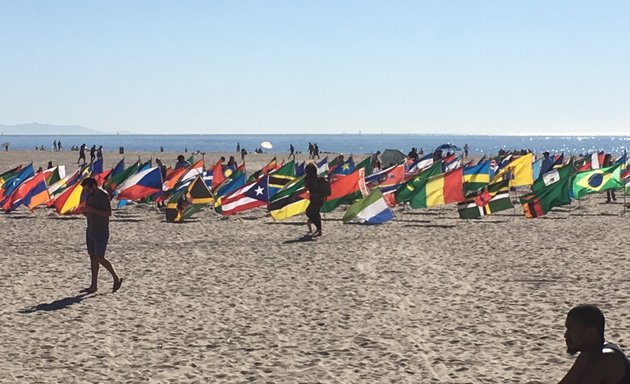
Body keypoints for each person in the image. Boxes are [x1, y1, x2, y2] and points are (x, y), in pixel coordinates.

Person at [559, 304, 630, 383]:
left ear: (591, 332)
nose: (566, 335)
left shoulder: (607, 357)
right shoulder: (587, 353)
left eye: (572, 329)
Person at [79, 178, 122, 294]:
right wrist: (84, 212)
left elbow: (108, 213)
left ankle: (116, 278)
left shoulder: (103, 195)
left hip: (101, 231)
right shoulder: (89, 196)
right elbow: (89, 213)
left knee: (99, 257)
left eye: (87, 189)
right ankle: (93, 285)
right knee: (92, 257)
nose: (86, 192)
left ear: (93, 186)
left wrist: (91, 210)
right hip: (91, 229)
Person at [304, 163, 324, 237]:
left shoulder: (309, 178)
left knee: (309, 212)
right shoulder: (318, 177)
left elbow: (307, 187)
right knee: (316, 213)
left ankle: (318, 229)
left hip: (315, 198)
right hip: (320, 198)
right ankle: (319, 230)